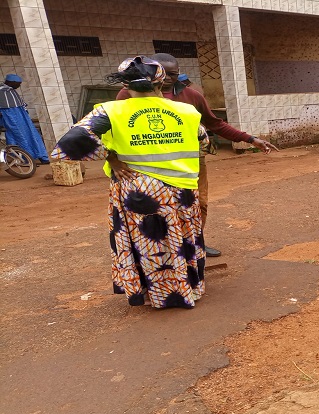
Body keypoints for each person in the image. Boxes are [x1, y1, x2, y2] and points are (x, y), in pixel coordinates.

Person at [50, 56, 207, 308]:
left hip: (137, 188)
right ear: (162, 81)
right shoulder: (187, 111)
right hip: (181, 190)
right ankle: (186, 289)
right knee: (181, 239)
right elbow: (203, 144)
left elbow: (66, 146)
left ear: (125, 85)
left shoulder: (110, 111)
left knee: (148, 242)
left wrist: (110, 155)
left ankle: (152, 293)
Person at [112, 53, 277, 258]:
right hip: (148, 164)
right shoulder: (128, 95)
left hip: (189, 162)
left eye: (174, 74)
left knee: (198, 203)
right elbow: (111, 129)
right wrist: (114, 160)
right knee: (158, 206)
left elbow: (214, 123)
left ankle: (195, 242)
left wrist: (250, 139)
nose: (169, 78)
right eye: (164, 74)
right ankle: (161, 249)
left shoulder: (191, 96)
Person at [0, 74, 49, 164]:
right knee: (21, 138)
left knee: (30, 136)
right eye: (18, 84)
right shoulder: (3, 91)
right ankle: (28, 159)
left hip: (21, 118)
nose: (19, 86)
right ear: (12, 82)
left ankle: (38, 157)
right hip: (12, 119)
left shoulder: (11, 91)